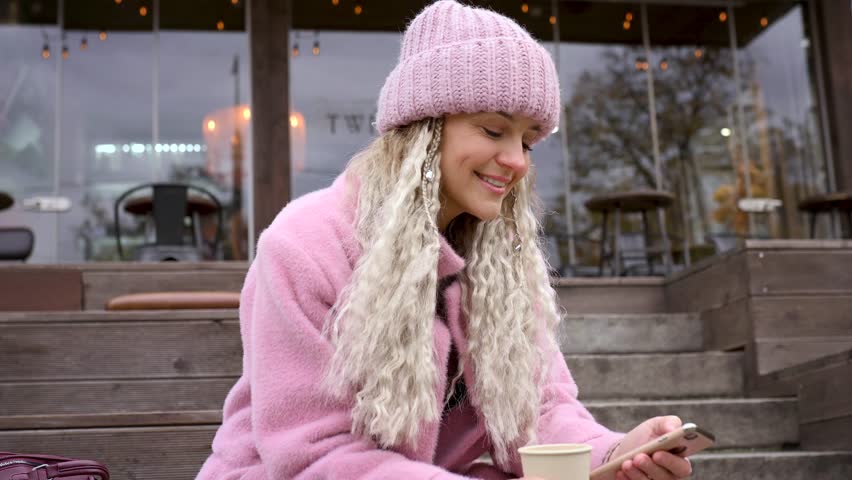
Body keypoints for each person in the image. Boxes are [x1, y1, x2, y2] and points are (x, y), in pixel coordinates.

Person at [196, 1, 694, 479]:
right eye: (494, 130)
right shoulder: (305, 244)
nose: (517, 160)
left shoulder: (500, 260)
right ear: (425, 130)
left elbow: (539, 408)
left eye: (526, 140)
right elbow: (314, 456)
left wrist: (617, 452)